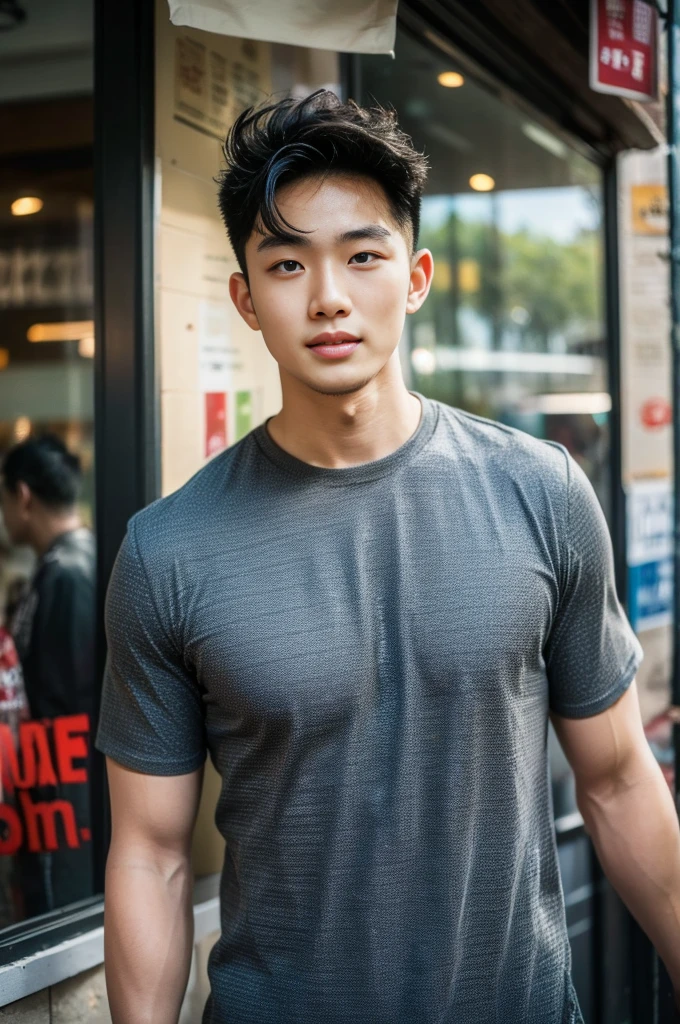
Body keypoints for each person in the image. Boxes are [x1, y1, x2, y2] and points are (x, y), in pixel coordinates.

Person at [96, 91, 680, 1024]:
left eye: (362, 255)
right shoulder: (169, 552)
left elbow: (615, 782)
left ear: (415, 277)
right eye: (287, 264)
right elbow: (152, 853)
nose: (327, 295)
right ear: (245, 298)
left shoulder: (544, 493)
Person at [0, 434, 95, 914]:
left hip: (63, 793)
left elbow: (72, 702)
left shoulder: (70, 572)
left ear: (22, 495)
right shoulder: (62, 567)